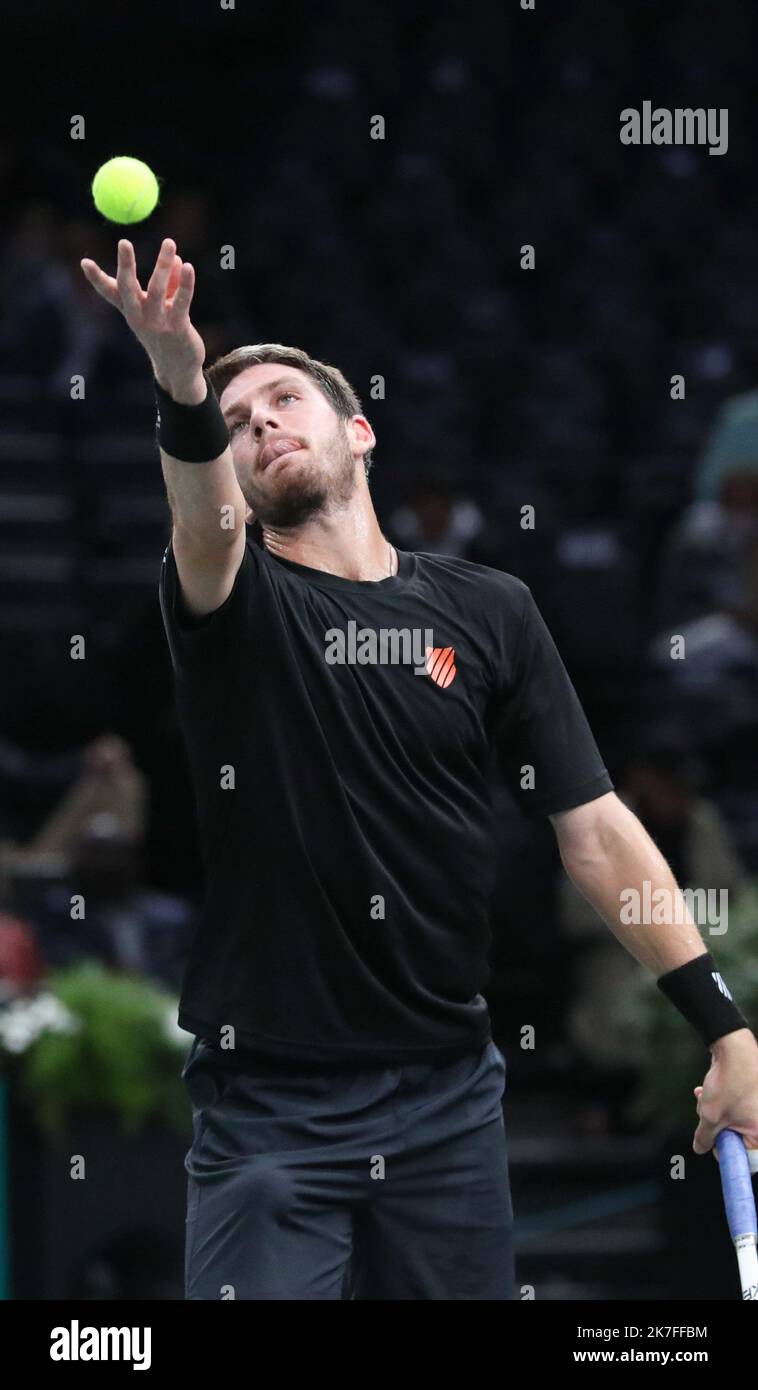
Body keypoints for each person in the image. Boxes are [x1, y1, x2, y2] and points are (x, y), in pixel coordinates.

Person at [80, 237, 758, 1302]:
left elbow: (591, 828)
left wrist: (720, 1020)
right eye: (236, 420)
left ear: (358, 431)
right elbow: (202, 520)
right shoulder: (232, 603)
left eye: (283, 400)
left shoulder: (490, 610)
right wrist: (178, 375)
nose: (258, 422)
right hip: (270, 1108)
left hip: (445, 1103)